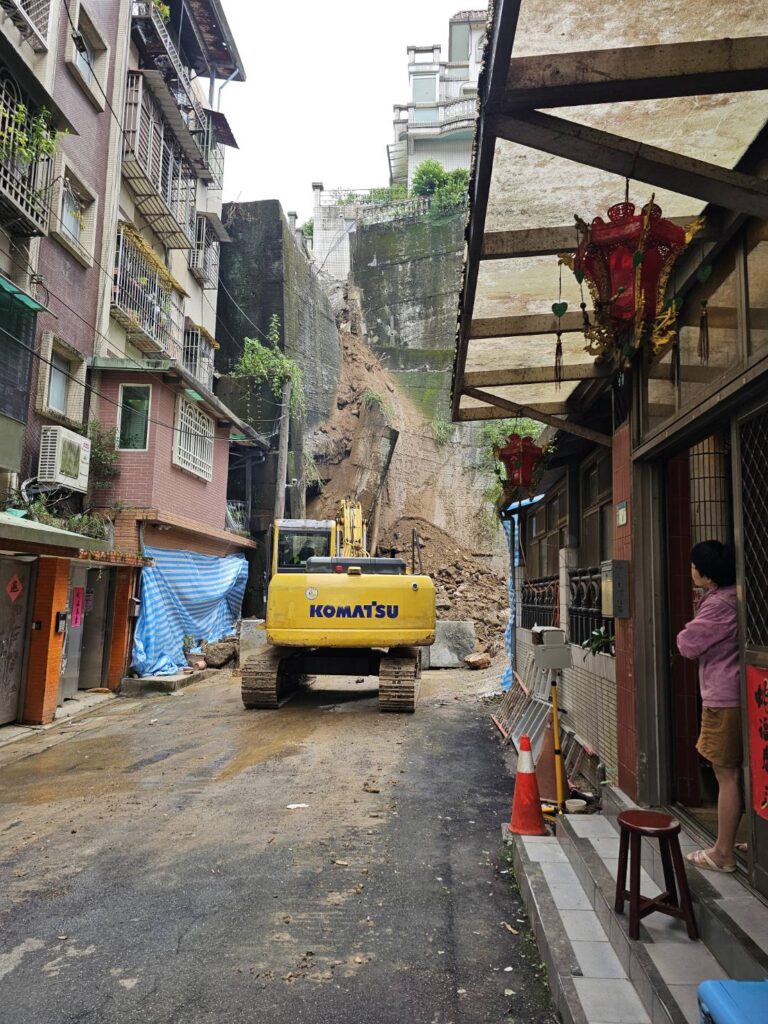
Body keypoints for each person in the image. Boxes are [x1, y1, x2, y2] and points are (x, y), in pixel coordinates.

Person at [676, 540, 741, 873]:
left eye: (693, 566)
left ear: (707, 573)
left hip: (724, 697)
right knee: (745, 771)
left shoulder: (719, 604)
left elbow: (687, 643)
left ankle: (723, 853)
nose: (691, 571)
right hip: (741, 692)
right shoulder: (736, 597)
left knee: (725, 774)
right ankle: (750, 838)